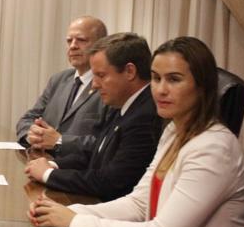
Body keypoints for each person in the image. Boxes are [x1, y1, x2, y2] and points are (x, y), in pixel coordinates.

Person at [29, 36, 244, 227]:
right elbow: (139, 204)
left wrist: (75, 222)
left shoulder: (215, 148)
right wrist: (67, 212)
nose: (160, 90)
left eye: (174, 79)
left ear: (202, 86)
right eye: (156, 78)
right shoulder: (173, 132)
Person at [25, 33, 162, 201]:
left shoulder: (146, 115)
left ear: (129, 71)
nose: (95, 85)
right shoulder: (122, 103)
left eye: (101, 75)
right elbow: (95, 154)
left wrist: (48, 174)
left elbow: (111, 182)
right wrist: (53, 165)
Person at [16, 16, 108, 154]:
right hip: (41, 159)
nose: (73, 46)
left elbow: (106, 143)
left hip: (79, 165)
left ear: (101, 45)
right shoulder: (59, 79)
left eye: (81, 40)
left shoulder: (108, 85)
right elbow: (28, 118)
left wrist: (59, 141)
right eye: (69, 41)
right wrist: (33, 135)